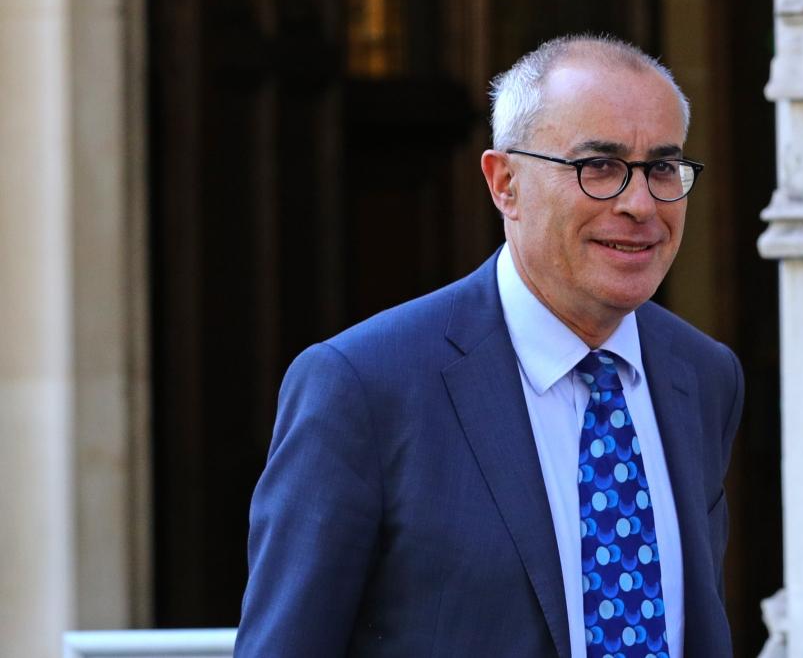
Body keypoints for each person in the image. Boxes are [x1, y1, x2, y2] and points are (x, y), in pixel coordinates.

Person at [233, 34, 743, 658]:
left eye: (662, 168)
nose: (640, 204)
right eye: (599, 167)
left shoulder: (704, 375)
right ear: (505, 183)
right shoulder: (364, 387)